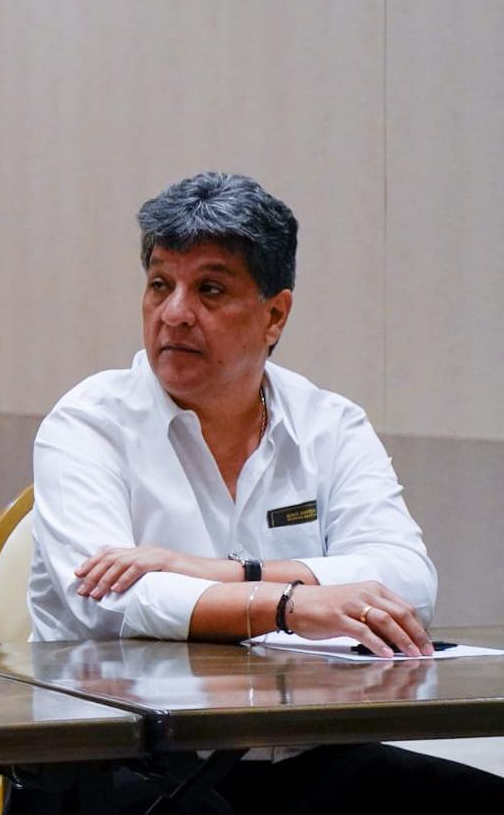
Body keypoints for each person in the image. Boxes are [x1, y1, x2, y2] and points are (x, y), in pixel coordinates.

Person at [27, 171, 504, 810]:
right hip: (129, 761)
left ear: (275, 314)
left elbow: (407, 579)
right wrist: (288, 604)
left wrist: (227, 572)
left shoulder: (329, 422)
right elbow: (109, 599)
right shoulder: (87, 421)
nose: (175, 313)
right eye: (161, 285)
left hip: (302, 747)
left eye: (211, 289)